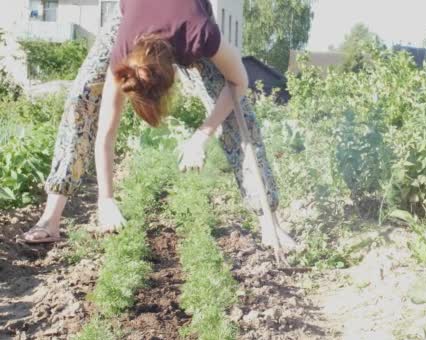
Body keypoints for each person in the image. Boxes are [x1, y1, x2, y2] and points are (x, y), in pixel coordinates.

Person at [20, 0, 295, 251]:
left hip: (185, 13)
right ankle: (51, 217)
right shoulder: (124, 52)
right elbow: (107, 131)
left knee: (238, 114)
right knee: (82, 98)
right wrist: (106, 200)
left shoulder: (199, 35)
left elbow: (239, 82)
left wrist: (202, 136)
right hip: (132, 11)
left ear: (176, 72)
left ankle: (270, 222)